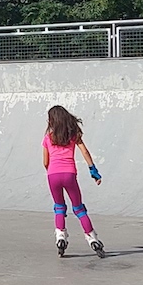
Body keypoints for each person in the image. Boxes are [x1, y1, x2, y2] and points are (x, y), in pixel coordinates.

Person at [43, 105, 105, 258]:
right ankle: (92, 239)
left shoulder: (47, 138)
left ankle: (60, 238)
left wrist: (52, 171)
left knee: (59, 207)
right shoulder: (73, 135)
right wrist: (93, 171)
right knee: (79, 209)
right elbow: (85, 151)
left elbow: (45, 162)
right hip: (69, 174)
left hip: (53, 175)